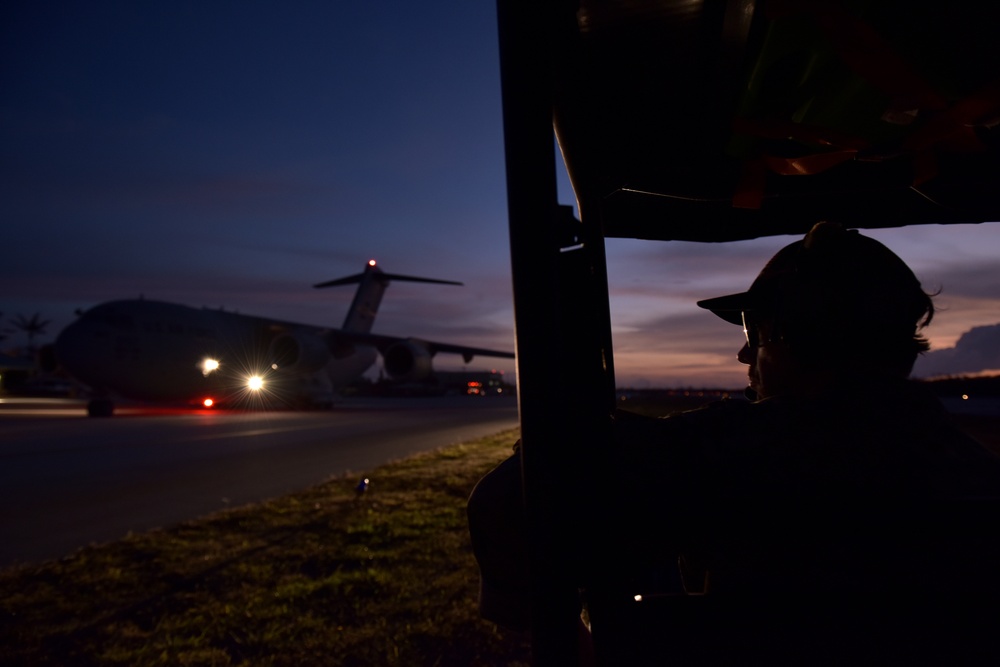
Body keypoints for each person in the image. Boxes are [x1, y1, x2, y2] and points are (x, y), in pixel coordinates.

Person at [468, 222, 1000, 662]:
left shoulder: (734, 453)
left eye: (754, 333)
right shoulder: (971, 467)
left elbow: (509, 501)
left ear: (796, 334)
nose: (745, 359)